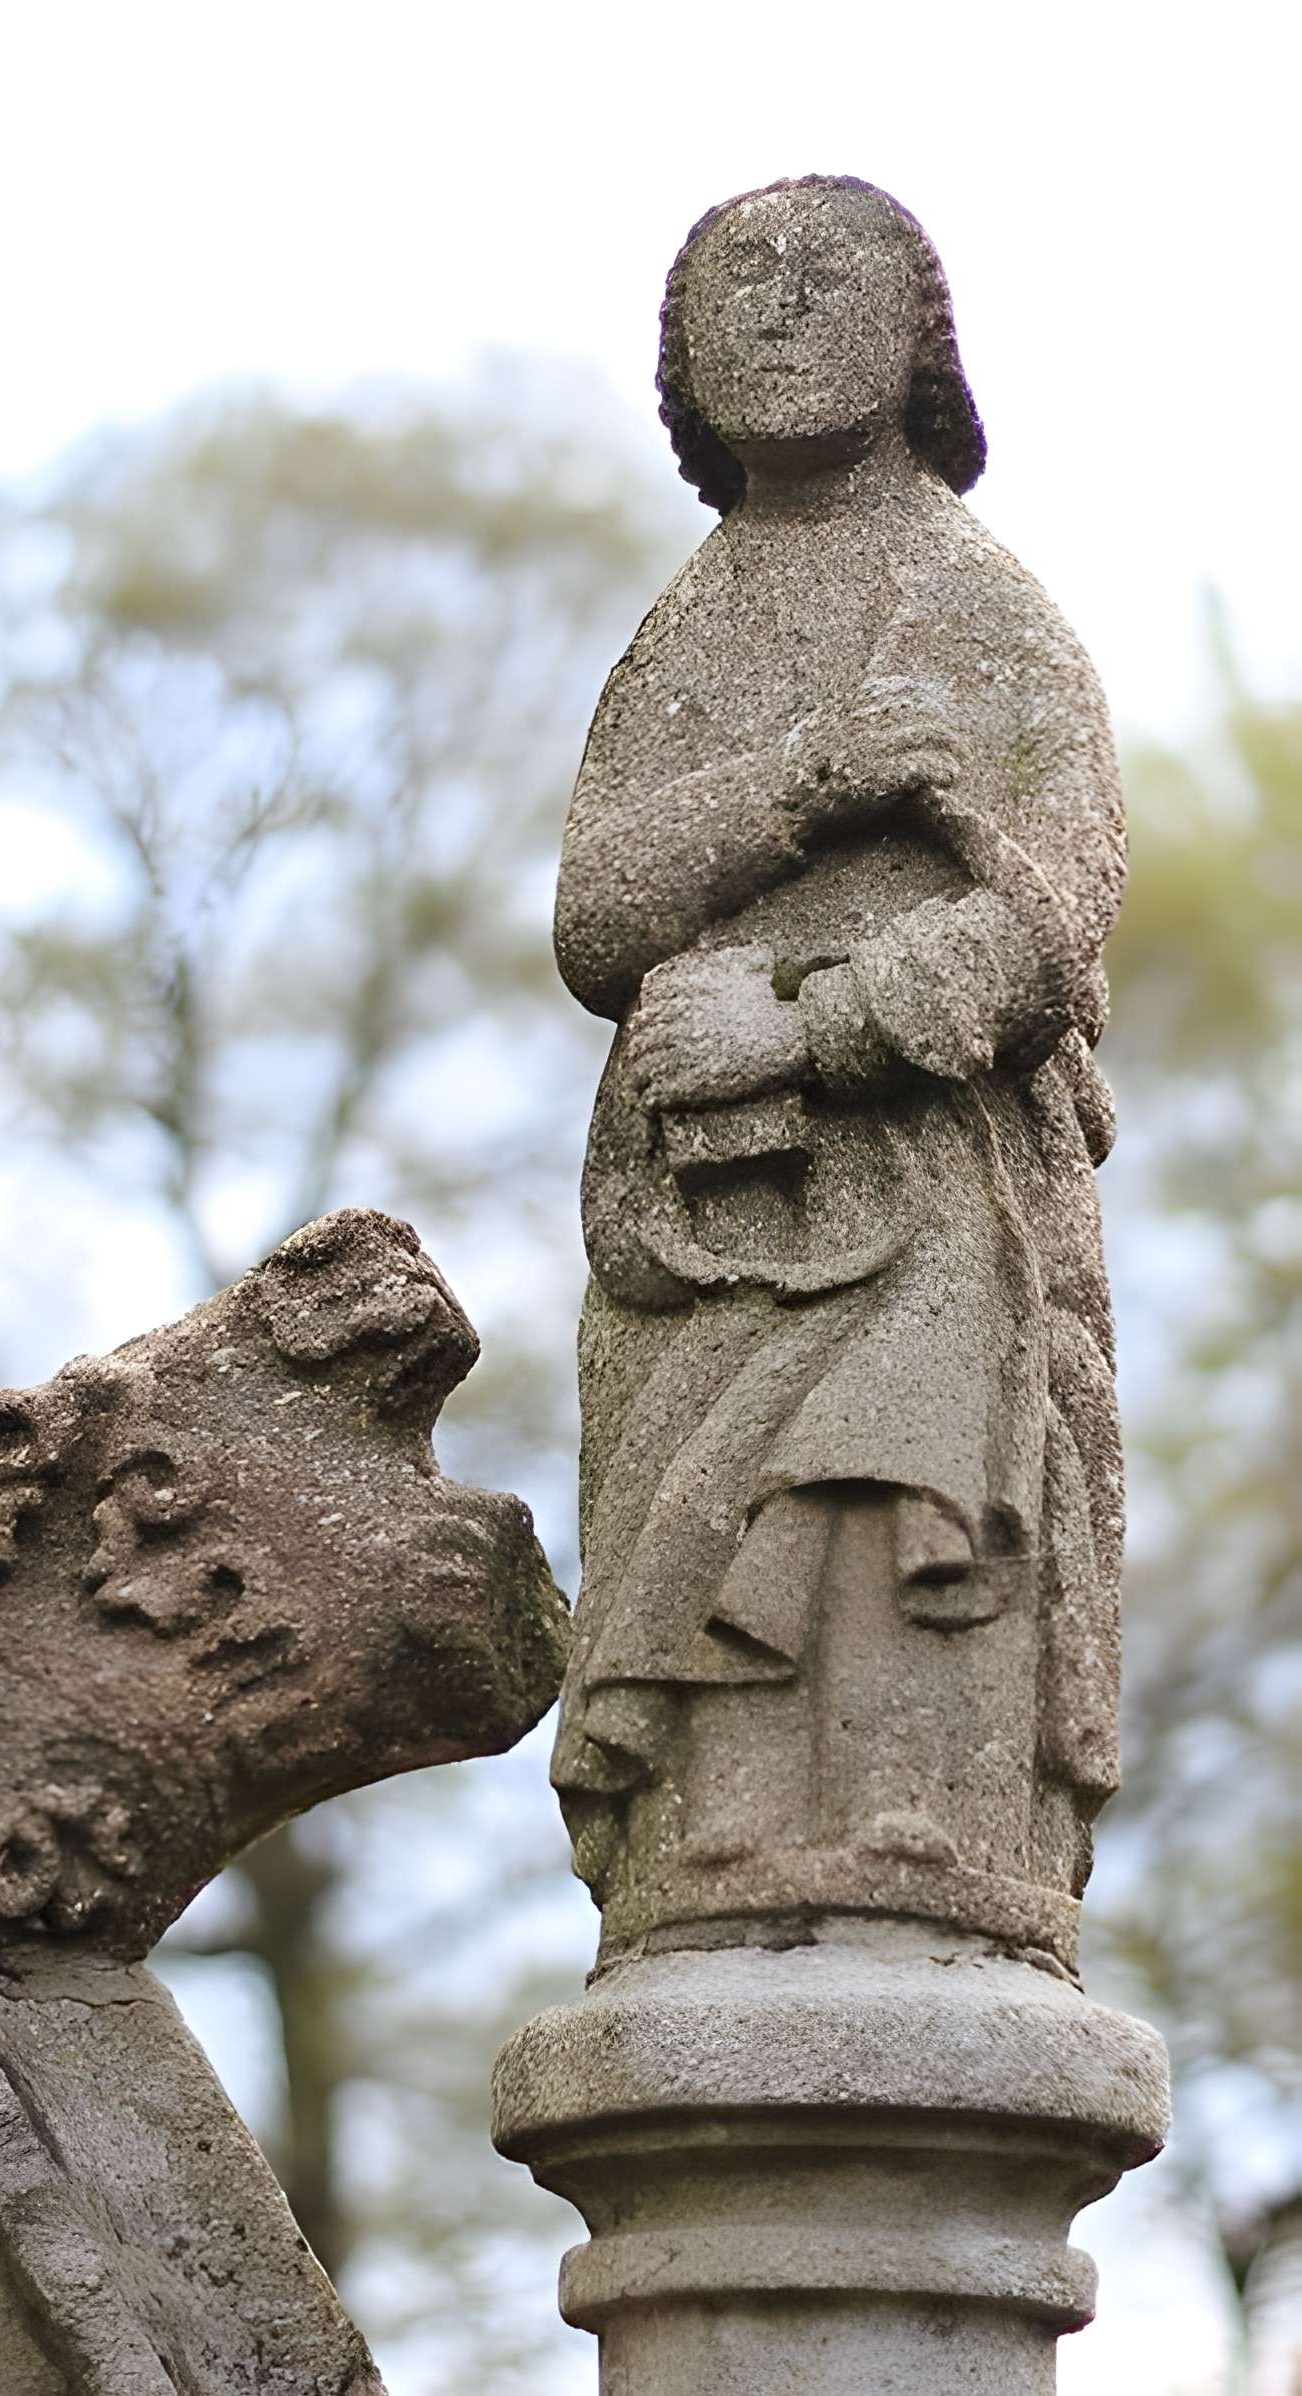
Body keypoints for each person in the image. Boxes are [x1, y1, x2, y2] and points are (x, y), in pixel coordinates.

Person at [551, 176, 1125, 1971]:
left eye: (829, 276)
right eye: (736, 283)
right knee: (699, 1523)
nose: (781, 309)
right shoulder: (690, 621)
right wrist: (805, 780)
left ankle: (925, 1835)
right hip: (703, 1209)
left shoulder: (982, 606)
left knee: (898, 1494)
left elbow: (1049, 928)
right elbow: (597, 916)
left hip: (933, 1185)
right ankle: (713, 1836)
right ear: (680, 363)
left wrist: (812, 1030)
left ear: (917, 340)